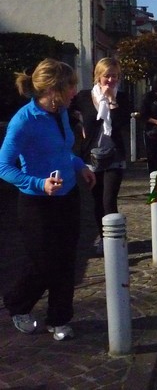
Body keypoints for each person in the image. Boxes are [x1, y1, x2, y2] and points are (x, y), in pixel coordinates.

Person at [0, 58, 96, 341]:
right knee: (43, 262)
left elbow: (62, 151)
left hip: (68, 196)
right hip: (37, 204)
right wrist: (39, 183)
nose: (75, 91)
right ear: (54, 90)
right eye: (70, 86)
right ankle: (18, 304)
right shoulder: (24, 121)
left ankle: (59, 319)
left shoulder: (61, 112)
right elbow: (4, 166)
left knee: (66, 259)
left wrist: (80, 166)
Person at [70, 57, 129, 255]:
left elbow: (121, 125)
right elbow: (67, 113)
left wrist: (112, 101)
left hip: (114, 155)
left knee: (108, 199)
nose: (111, 80)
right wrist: (78, 126)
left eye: (115, 76)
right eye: (107, 76)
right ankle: (104, 237)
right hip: (92, 156)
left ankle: (113, 240)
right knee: (96, 200)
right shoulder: (84, 97)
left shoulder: (122, 98)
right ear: (98, 76)